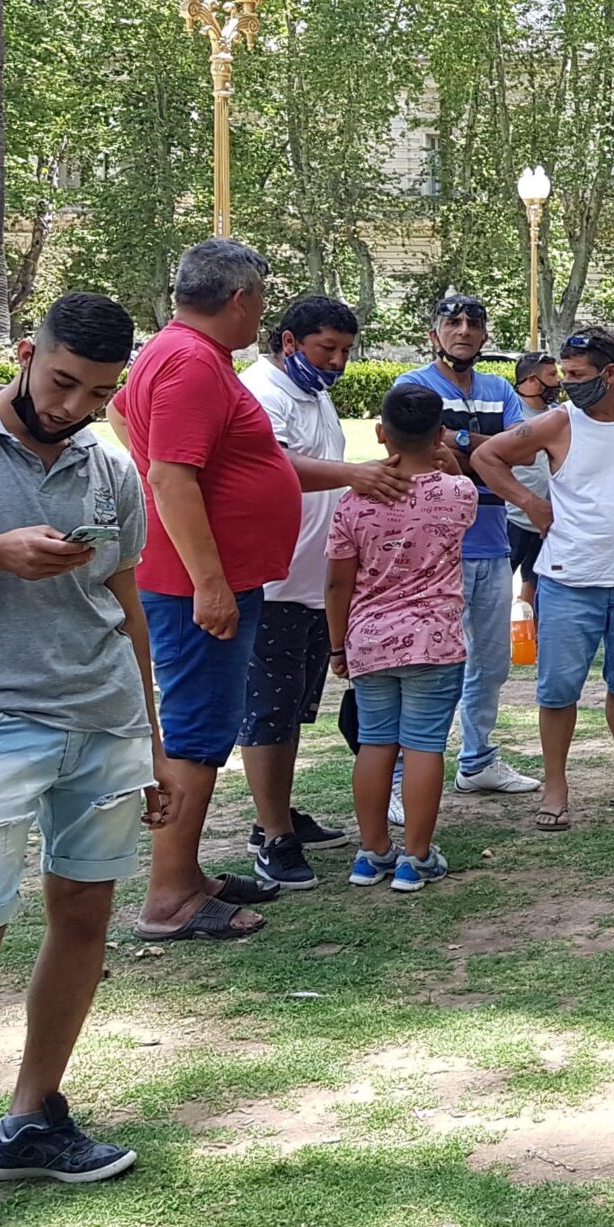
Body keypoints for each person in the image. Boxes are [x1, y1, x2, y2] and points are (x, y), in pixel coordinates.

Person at [0, 293, 167, 1180]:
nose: (73, 406)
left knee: (84, 912)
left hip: (101, 720)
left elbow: (127, 605)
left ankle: (30, 1120)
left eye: (98, 392)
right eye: (61, 382)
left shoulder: (109, 465)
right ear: (25, 353)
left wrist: (152, 738)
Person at [112, 239, 299, 941]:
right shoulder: (192, 361)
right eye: (261, 298)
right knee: (196, 733)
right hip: (196, 588)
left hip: (196, 576)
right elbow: (171, 477)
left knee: (208, 725)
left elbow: (125, 414)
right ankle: (169, 899)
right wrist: (210, 583)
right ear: (240, 299)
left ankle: (188, 874)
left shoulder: (174, 348)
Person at [471, 328, 614, 830]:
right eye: (563, 375)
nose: (565, 384)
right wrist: (529, 502)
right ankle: (555, 788)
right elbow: (487, 456)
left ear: (610, 374)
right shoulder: (558, 422)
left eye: (576, 375)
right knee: (558, 690)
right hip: (569, 581)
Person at [238, 295, 399, 892]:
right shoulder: (262, 391)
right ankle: (272, 835)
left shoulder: (316, 393)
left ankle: (276, 814)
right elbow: (272, 466)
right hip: (275, 581)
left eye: (345, 352)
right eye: (325, 349)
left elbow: (321, 466)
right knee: (269, 713)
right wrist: (357, 474)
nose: (336, 362)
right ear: (288, 342)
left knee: (295, 710)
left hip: (313, 583)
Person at [391, 293, 545, 802]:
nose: (463, 331)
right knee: (424, 660)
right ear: (435, 332)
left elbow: (519, 451)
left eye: (473, 323)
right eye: (452, 322)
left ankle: (477, 759)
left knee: (491, 659)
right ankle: (398, 774)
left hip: (492, 537)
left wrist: (455, 440)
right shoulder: (413, 385)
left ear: (484, 333)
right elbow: (413, 450)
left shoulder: (498, 386)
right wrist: (483, 445)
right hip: (431, 544)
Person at [328, 385, 479, 888]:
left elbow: (337, 582)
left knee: (375, 744)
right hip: (434, 641)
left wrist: (336, 644)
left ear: (379, 433)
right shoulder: (459, 494)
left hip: (369, 638)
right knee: (423, 747)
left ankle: (371, 853)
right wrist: (447, 462)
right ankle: (416, 858)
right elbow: (457, 484)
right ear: (439, 435)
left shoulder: (353, 503)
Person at [506, 352, 561, 607]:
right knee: (499, 586)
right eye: (552, 375)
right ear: (531, 381)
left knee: (536, 584)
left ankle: (530, 641)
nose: (559, 381)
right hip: (512, 519)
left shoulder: (558, 416)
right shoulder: (509, 412)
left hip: (548, 523)